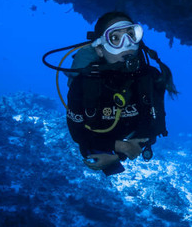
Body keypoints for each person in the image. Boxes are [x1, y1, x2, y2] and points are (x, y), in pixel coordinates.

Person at [63, 11, 177, 175]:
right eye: (115, 38)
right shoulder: (84, 83)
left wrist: (119, 155)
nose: (127, 43)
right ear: (100, 49)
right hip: (99, 143)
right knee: (90, 155)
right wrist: (120, 147)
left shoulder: (151, 78)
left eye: (131, 35)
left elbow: (153, 126)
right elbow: (78, 133)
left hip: (129, 141)